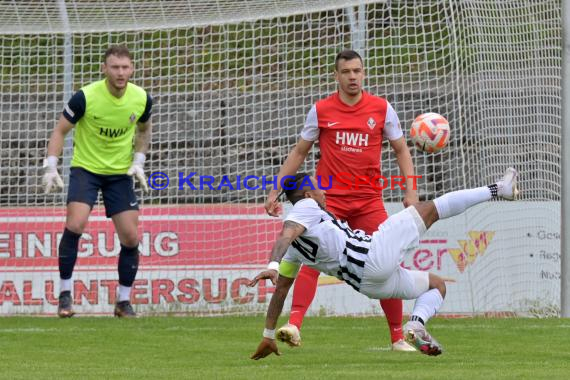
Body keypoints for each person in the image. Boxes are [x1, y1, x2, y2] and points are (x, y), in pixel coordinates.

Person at [250, 169, 519, 359]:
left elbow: (282, 290)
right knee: (430, 209)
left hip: (368, 284)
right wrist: (271, 265)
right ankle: (498, 189)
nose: (323, 191)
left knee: (436, 286)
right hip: (372, 254)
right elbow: (286, 233)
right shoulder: (306, 207)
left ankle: (415, 324)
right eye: (318, 187)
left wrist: (268, 334)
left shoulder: (295, 251)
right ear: (308, 194)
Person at [264, 49, 418, 351]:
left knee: (387, 263)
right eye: (346, 72)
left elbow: (401, 149)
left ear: (363, 73)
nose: (352, 77)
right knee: (311, 259)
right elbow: (299, 152)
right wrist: (275, 189)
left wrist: (411, 190)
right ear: (336, 75)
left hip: (368, 201)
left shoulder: (381, 108)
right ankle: (293, 325)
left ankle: (397, 337)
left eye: (357, 71)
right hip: (328, 202)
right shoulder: (321, 110)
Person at [42, 45, 152, 318]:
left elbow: (144, 129)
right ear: (105, 69)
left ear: (132, 69)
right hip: (86, 169)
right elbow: (59, 131)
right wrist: (51, 167)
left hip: (120, 174)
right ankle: (65, 296)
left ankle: (123, 302)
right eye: (115, 67)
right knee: (75, 223)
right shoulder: (86, 97)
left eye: (125, 67)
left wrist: (138, 160)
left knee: (130, 236)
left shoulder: (141, 98)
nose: (120, 73)